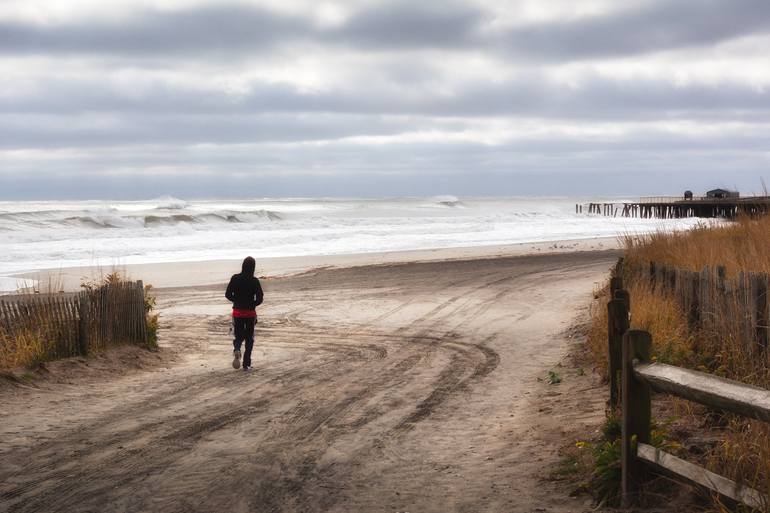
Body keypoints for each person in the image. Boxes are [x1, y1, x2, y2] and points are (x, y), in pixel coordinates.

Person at [225, 256, 264, 371]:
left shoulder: (235, 278)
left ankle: (237, 348)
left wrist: (236, 301)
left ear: (243, 266)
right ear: (253, 267)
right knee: (249, 338)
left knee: (238, 335)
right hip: (250, 313)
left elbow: (227, 294)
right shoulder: (254, 281)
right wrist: (252, 304)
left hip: (237, 312)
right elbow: (260, 298)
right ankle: (246, 364)